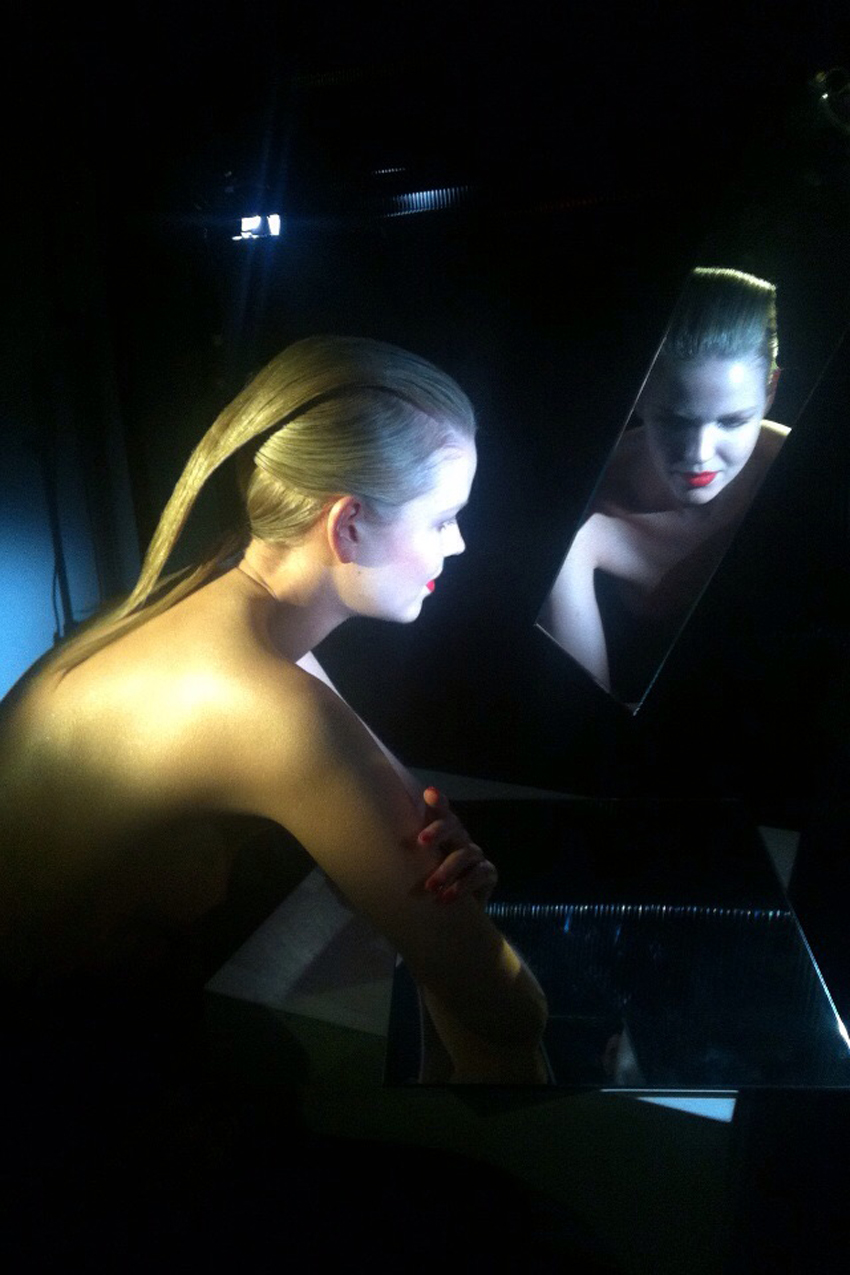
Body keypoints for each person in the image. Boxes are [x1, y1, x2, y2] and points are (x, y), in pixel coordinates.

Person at [0, 334, 547, 1085]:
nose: (458, 545)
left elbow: (403, 816)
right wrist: (444, 919)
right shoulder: (263, 704)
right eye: (442, 518)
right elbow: (510, 1010)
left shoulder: (220, 598)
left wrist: (433, 882)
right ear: (348, 523)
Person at [537, 267, 788, 703]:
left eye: (732, 421)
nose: (699, 453)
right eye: (675, 420)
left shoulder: (804, 468)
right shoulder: (582, 506)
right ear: (639, 394)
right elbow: (580, 709)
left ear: (770, 392)